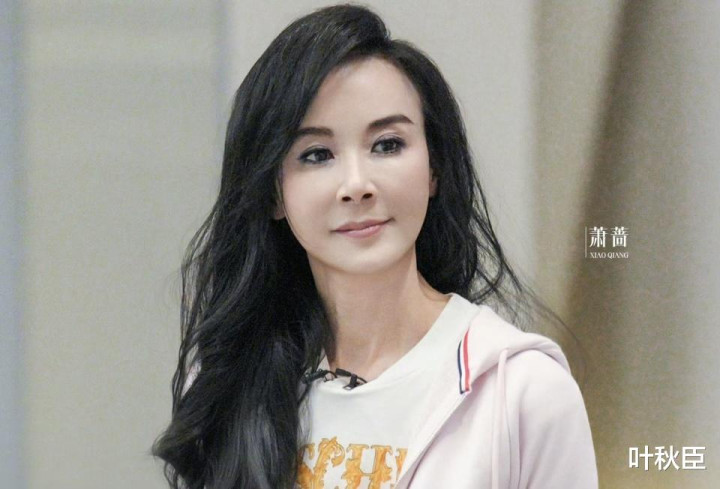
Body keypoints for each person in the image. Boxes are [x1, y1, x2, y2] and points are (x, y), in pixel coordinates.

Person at [152, 4, 598, 489]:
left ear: (434, 168)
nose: (356, 185)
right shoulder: (233, 385)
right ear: (273, 193)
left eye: (387, 144)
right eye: (316, 154)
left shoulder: (522, 392)